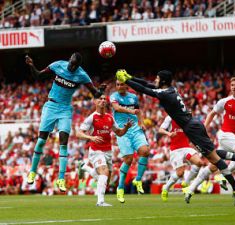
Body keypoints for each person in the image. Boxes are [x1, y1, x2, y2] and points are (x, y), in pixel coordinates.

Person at [116, 69, 235, 206]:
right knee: (212, 156)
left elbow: (143, 89)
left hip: (192, 128)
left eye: (157, 78)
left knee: (214, 158)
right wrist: (130, 77)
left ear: (163, 81)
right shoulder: (169, 90)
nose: (155, 80)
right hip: (192, 126)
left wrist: (127, 81)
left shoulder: (165, 94)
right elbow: (147, 84)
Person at [25, 53, 106, 192]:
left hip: (65, 110)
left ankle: (61, 179)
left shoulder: (82, 75)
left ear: (78, 66)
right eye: (71, 63)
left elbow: (94, 93)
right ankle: (32, 171)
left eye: (75, 66)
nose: (72, 67)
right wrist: (31, 65)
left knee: (63, 142)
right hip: (51, 106)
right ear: (69, 60)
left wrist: (100, 91)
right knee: (41, 141)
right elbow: (38, 75)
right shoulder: (58, 65)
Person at [186, 77, 235, 196]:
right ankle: (222, 176)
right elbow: (212, 114)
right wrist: (203, 129)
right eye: (232, 85)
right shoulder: (224, 101)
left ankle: (190, 189)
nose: (234, 87)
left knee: (213, 166)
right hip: (225, 135)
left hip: (233, 138)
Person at [77, 94, 133, 206]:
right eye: (100, 99)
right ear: (95, 102)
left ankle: (84, 167)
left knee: (106, 180)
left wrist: (126, 128)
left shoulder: (110, 118)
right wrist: (91, 137)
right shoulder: (92, 117)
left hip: (107, 151)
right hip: (96, 150)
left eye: (104, 99)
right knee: (104, 172)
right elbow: (79, 133)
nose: (103, 101)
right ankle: (100, 202)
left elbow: (119, 133)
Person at [110, 80, 150, 203]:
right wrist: (131, 111)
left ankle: (138, 179)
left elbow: (138, 111)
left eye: (122, 84)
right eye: (117, 84)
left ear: (126, 85)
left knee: (145, 151)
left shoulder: (133, 97)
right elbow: (117, 108)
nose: (120, 86)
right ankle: (120, 187)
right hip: (122, 130)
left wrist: (141, 122)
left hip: (135, 129)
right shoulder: (113, 96)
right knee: (128, 159)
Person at [158, 115, 203, 202]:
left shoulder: (187, 118)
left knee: (199, 163)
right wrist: (169, 133)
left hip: (186, 147)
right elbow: (160, 130)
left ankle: (186, 182)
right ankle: (166, 187)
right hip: (176, 150)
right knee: (180, 173)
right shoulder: (170, 117)